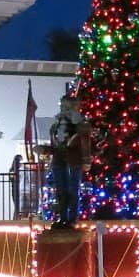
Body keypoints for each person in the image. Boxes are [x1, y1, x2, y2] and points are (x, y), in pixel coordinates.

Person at [47, 95, 91, 227]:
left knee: (72, 190)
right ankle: (63, 217)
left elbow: (85, 142)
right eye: (62, 106)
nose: (63, 109)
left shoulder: (81, 124)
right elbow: (54, 145)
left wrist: (86, 160)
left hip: (73, 160)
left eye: (66, 106)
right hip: (59, 160)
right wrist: (46, 150)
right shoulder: (56, 126)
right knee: (60, 190)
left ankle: (72, 219)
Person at [9, 152, 23, 217]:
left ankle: (16, 217)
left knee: (17, 206)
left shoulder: (12, 170)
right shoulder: (14, 170)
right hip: (16, 189)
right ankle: (16, 218)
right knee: (17, 205)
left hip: (16, 189)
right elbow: (12, 179)